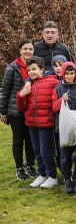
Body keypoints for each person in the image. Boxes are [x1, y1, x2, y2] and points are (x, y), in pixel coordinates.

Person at [16, 56, 61, 188]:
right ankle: (42, 175)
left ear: (42, 70)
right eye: (29, 70)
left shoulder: (53, 82)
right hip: (31, 124)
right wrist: (21, 95)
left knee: (46, 151)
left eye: (34, 69)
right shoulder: (27, 85)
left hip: (46, 124)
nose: (31, 72)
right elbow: (22, 107)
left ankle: (52, 176)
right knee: (37, 151)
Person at [0, 39, 36, 180]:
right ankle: (19, 167)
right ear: (20, 50)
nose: (28, 51)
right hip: (15, 111)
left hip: (30, 110)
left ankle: (31, 166)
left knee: (31, 139)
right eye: (25, 49)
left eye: (30, 49)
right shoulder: (12, 68)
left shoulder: (34, 66)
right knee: (18, 140)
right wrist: (3, 111)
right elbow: (5, 91)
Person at [52, 61, 76, 194]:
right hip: (63, 129)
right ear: (62, 73)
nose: (69, 76)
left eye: (71, 73)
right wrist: (62, 100)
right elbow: (54, 107)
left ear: (75, 74)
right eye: (66, 73)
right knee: (65, 156)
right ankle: (67, 179)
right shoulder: (58, 89)